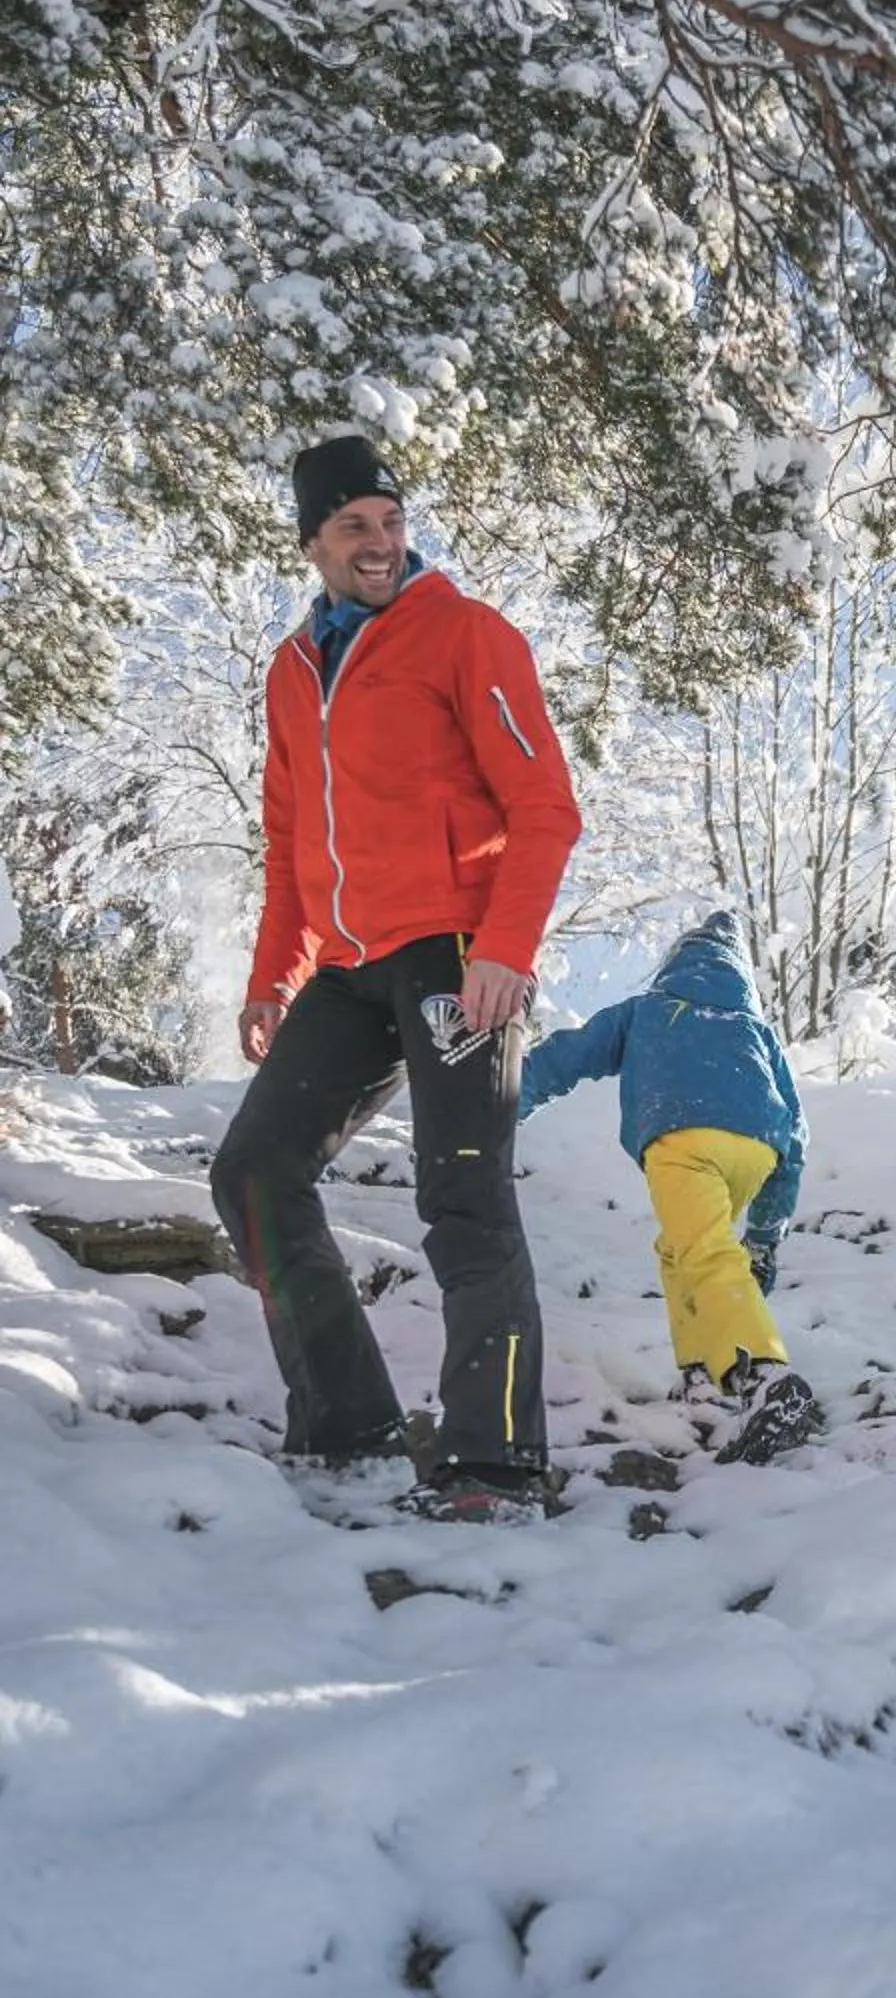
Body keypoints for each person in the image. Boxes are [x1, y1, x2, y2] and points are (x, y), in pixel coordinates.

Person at [209, 435, 581, 1527]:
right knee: (255, 1171)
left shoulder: (465, 634)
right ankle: (349, 1428)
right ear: (313, 544)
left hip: (456, 951)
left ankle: (496, 1466)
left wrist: (506, 948)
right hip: (347, 964)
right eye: (353, 526)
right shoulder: (294, 672)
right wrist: (273, 978)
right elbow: (291, 845)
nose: (379, 543)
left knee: (463, 1193)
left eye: (391, 520)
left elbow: (545, 808)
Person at [517, 911, 824, 1465]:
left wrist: (501, 1105)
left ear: (675, 964)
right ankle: (703, 1376)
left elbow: (564, 1058)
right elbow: (795, 1135)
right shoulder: (755, 1030)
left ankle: (764, 1374)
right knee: (683, 1247)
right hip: (757, 1152)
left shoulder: (648, 1009)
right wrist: (764, 1238)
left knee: (704, 1249)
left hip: (683, 1135)